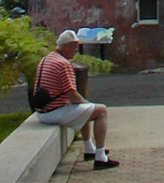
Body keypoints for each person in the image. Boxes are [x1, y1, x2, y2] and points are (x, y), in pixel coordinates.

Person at [34, 30, 119, 171]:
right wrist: (87, 104)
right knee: (100, 111)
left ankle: (89, 149)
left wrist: (86, 105)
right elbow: (72, 95)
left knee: (86, 109)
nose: (75, 51)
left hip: (43, 111)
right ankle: (100, 157)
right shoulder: (63, 64)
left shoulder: (46, 59)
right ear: (66, 46)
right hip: (54, 112)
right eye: (74, 47)